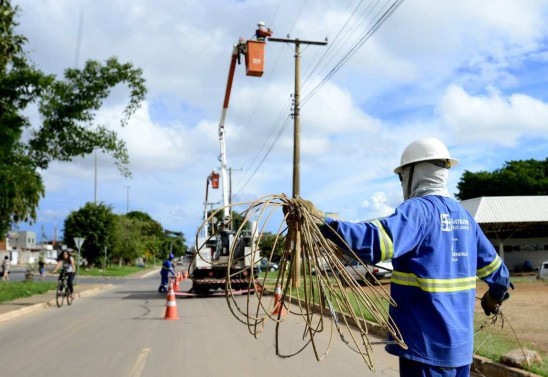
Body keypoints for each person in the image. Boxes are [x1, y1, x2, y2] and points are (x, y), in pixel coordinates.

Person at [297, 137, 512, 377]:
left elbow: (375, 242)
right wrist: (495, 297)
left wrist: (323, 222)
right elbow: (498, 273)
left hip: (424, 351)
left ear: (412, 173)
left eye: (402, 177)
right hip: (460, 353)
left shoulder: (418, 211)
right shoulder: (465, 218)